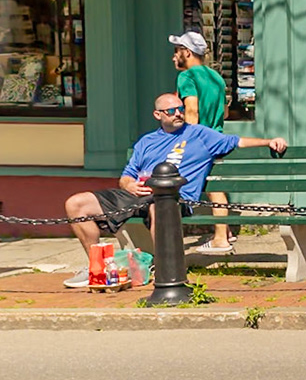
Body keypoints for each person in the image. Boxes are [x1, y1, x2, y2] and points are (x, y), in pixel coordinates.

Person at [61, 94, 286, 288]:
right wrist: (129, 185)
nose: (178, 113)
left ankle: (166, 270)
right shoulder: (146, 142)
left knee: (159, 207)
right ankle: (97, 268)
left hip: (174, 198)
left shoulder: (200, 135)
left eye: (180, 109)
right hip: (138, 195)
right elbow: (126, 176)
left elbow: (237, 141)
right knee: (76, 204)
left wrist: (269, 141)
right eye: (171, 111)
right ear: (158, 115)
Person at [171, 30, 233, 253]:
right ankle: (224, 232)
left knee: (170, 183)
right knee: (214, 185)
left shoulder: (187, 77)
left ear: (187, 53)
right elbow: (225, 112)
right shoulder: (216, 77)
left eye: (177, 51)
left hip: (199, 141)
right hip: (217, 138)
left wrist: (185, 142)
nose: (173, 56)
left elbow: (191, 110)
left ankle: (220, 239)